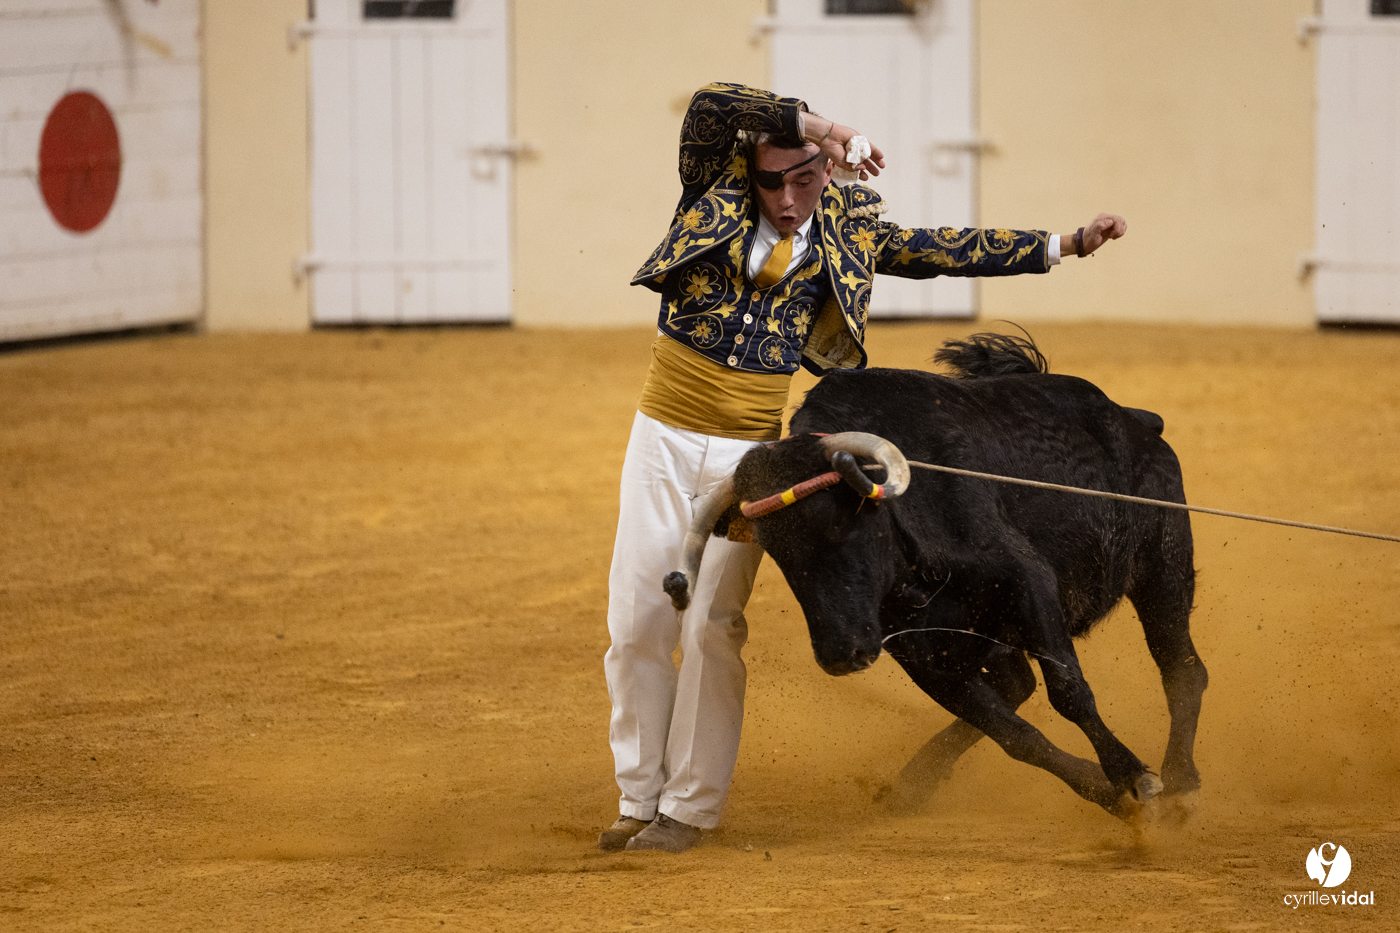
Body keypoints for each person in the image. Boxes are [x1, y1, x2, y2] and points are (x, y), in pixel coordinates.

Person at [599, 83, 1125, 853]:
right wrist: (826, 125)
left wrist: (1066, 243)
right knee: (637, 623)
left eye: (803, 180)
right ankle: (636, 795)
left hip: (752, 455)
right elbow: (712, 102)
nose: (785, 198)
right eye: (771, 180)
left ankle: (688, 808)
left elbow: (945, 248)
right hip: (662, 437)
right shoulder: (711, 188)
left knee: (714, 624)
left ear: (829, 174)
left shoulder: (848, 227)